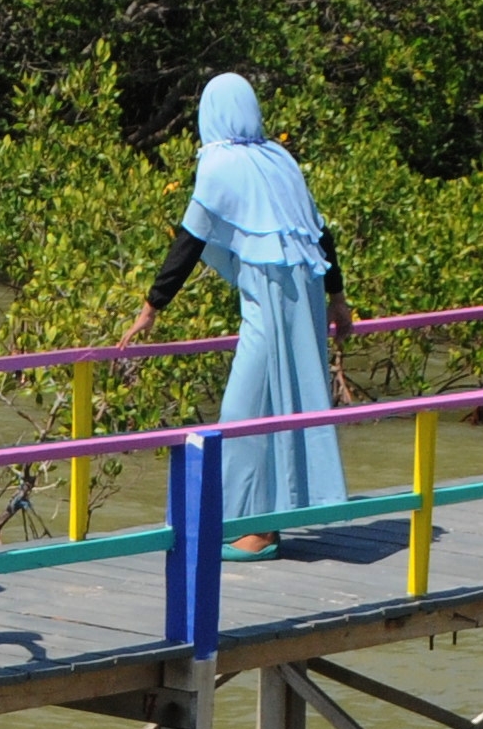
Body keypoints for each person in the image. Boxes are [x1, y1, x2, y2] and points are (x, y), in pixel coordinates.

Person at [113, 74, 345, 558]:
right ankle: (264, 523)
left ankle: (254, 530)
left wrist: (151, 308)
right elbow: (322, 235)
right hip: (306, 294)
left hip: (272, 300)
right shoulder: (280, 159)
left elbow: (189, 240)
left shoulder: (219, 163)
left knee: (241, 415)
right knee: (277, 408)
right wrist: (339, 299)